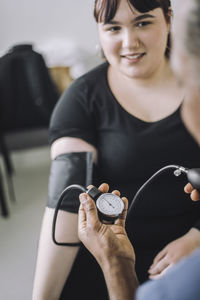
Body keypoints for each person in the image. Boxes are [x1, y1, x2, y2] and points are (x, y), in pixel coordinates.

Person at [32, 0, 200, 299]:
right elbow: (67, 203)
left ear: (168, 20)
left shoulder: (195, 82)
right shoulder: (80, 100)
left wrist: (196, 239)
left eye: (143, 23)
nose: (129, 42)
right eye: (113, 28)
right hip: (108, 251)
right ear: (99, 31)